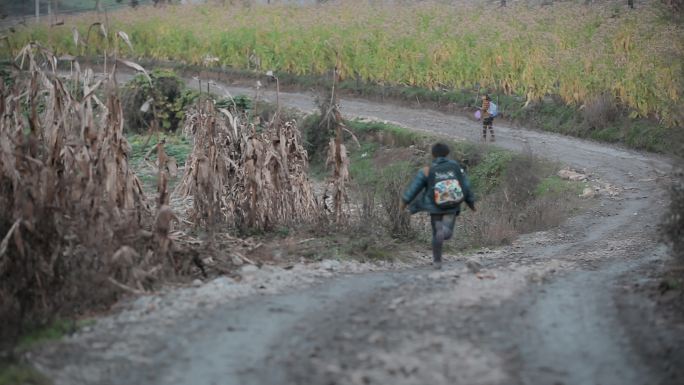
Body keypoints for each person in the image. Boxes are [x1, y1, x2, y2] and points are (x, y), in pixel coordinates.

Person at [400, 143, 476, 269]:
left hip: (435, 207)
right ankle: (444, 231)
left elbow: (414, 188)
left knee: (436, 234)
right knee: (447, 233)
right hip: (452, 206)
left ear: (433, 154)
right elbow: (466, 186)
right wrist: (471, 203)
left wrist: (405, 202)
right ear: (447, 153)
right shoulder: (456, 167)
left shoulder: (427, 170)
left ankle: (437, 262)